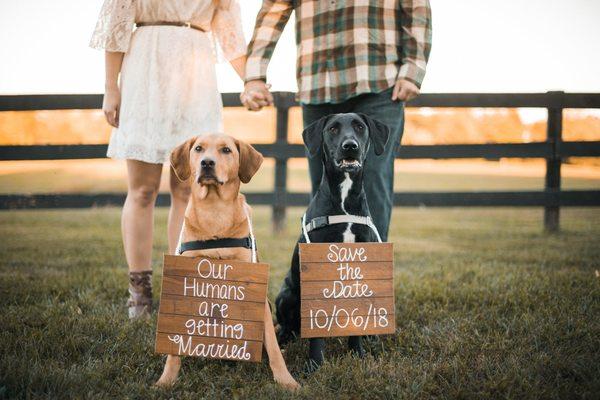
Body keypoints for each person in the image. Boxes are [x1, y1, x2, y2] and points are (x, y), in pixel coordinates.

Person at [90, 0, 248, 318]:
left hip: (196, 77)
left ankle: (182, 285)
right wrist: (110, 87)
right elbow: (117, 26)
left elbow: (231, 36)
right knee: (143, 190)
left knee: (187, 191)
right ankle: (140, 292)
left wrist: (253, 80)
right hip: (144, 72)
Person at [241, 0, 432, 242]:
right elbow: (273, 10)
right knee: (324, 186)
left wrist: (413, 69)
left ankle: (370, 273)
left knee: (372, 179)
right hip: (317, 84)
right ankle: (328, 274)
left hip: (377, 80)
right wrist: (254, 77)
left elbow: (416, 8)